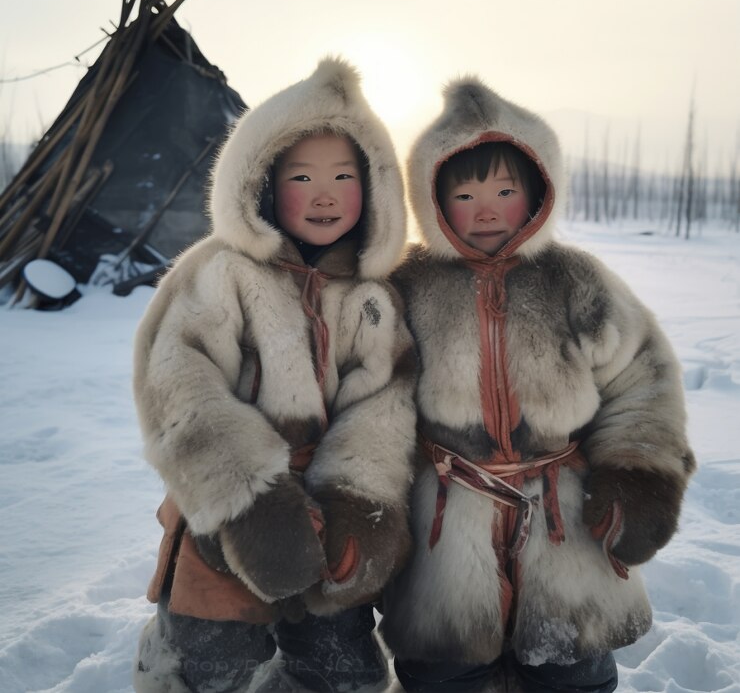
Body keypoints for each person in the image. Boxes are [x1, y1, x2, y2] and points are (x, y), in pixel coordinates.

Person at [379, 77, 696, 692]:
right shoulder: (407, 288)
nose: (488, 207)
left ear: (538, 191)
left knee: (573, 673)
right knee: (446, 676)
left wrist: (638, 477)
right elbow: (378, 401)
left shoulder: (576, 280)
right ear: (433, 198)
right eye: (466, 193)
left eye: (505, 188)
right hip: (445, 527)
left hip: (565, 526)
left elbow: (643, 378)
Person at [132, 57, 417, 693]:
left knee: (341, 671)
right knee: (210, 663)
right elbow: (178, 383)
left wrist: (355, 505)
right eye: (302, 176)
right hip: (227, 511)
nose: (324, 193)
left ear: (370, 187)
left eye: (343, 176)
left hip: (326, 513)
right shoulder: (220, 273)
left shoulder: (371, 299)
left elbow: (383, 410)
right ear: (261, 181)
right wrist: (251, 501)